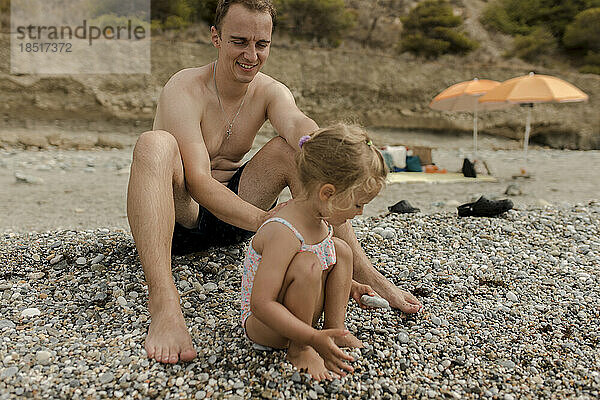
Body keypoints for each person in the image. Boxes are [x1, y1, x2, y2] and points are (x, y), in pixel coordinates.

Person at [126, 0, 422, 365]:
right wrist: (264, 222)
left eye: (261, 44)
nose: (251, 55)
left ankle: (359, 270)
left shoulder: (270, 91)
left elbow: (297, 124)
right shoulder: (184, 88)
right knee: (154, 144)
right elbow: (199, 182)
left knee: (291, 150)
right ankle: (165, 305)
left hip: (237, 217)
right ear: (215, 37)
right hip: (180, 219)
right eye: (239, 41)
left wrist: (321, 146)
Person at [242, 124, 386, 380]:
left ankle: (334, 331)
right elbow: (261, 304)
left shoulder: (319, 220)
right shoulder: (284, 231)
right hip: (266, 326)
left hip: (299, 312)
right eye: (358, 204)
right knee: (307, 263)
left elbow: (323, 262)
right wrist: (309, 337)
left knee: (341, 250)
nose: (360, 213)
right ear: (327, 193)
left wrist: (349, 284)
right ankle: (301, 349)